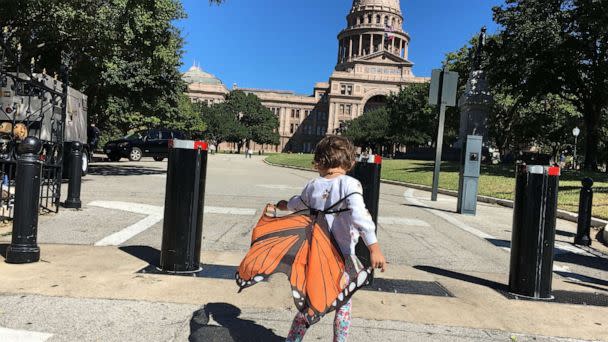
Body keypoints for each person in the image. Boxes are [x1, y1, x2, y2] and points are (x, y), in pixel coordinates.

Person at [274, 135, 386, 342]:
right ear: (351, 162)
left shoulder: (312, 185)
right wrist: (374, 248)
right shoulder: (350, 184)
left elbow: (297, 204)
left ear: (318, 162)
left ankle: (293, 340)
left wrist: (284, 206)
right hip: (343, 258)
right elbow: (360, 216)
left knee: (310, 304)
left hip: (315, 258)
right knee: (343, 304)